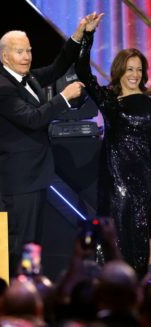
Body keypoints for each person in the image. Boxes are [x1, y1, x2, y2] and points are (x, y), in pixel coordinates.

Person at [0, 14, 100, 276]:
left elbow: (57, 68)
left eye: (28, 50)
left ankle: (31, 290)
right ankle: (19, 297)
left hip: (35, 177)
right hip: (21, 181)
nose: (27, 56)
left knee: (33, 244)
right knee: (23, 243)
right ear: (5, 56)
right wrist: (63, 97)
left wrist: (79, 34)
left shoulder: (25, 78)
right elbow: (33, 119)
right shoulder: (2, 88)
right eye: (19, 51)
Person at [75, 13, 151, 278]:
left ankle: (136, 298)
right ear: (120, 71)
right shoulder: (110, 100)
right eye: (130, 69)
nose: (134, 74)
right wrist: (88, 35)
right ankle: (111, 295)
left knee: (142, 241)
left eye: (139, 69)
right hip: (117, 184)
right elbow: (82, 71)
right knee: (116, 242)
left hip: (145, 182)